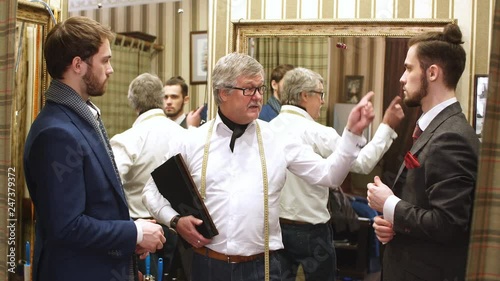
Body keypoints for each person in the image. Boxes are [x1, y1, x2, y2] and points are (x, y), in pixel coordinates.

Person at [142, 52, 375, 281]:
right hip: (206, 264)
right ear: (223, 93)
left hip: (262, 268)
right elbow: (151, 192)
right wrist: (175, 221)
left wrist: (352, 134)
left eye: (260, 88)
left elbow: (329, 175)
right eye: (248, 89)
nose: (257, 97)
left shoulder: (278, 138)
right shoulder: (190, 140)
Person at [23, 16, 166, 281]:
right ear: (78, 65)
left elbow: (97, 208)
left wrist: (128, 241)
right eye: (105, 60)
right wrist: (134, 233)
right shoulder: (56, 132)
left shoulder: (80, 117)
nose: (110, 69)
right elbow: (66, 226)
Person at [366, 24, 479, 281]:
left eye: (408, 68)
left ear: (432, 73)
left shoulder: (451, 137)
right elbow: (424, 205)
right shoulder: (436, 128)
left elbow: (449, 225)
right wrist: (394, 224)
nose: (402, 78)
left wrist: (389, 203)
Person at [269, 67, 404, 281]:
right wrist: (387, 127)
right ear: (305, 95)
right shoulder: (317, 132)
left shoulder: (267, 129)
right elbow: (362, 163)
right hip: (311, 232)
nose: (323, 101)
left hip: (275, 229)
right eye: (320, 94)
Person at [110, 73, 186, 279]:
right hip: (179, 231)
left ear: (133, 103)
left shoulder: (127, 140)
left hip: (140, 234)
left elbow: (109, 186)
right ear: (161, 98)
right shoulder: (186, 136)